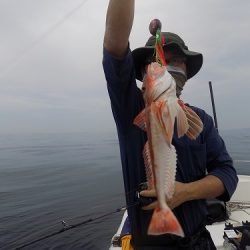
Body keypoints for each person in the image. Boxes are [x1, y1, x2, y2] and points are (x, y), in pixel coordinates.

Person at [103, 1, 238, 249]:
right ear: (143, 77)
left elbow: (227, 173)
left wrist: (186, 191)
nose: (164, 66)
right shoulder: (130, 109)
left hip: (200, 241)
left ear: (186, 70)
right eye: (152, 65)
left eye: (176, 60)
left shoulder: (202, 120)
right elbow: (114, 48)